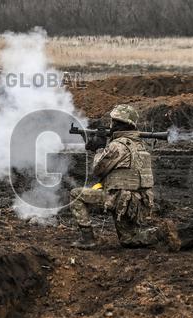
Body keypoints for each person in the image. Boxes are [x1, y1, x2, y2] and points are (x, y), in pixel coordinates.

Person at [69, 104, 179, 251]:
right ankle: (162, 234)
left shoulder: (117, 146)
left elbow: (98, 169)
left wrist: (99, 148)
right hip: (137, 203)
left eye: (113, 121)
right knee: (129, 240)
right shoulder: (141, 145)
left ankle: (88, 239)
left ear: (117, 123)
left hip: (120, 200)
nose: (111, 124)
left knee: (76, 195)